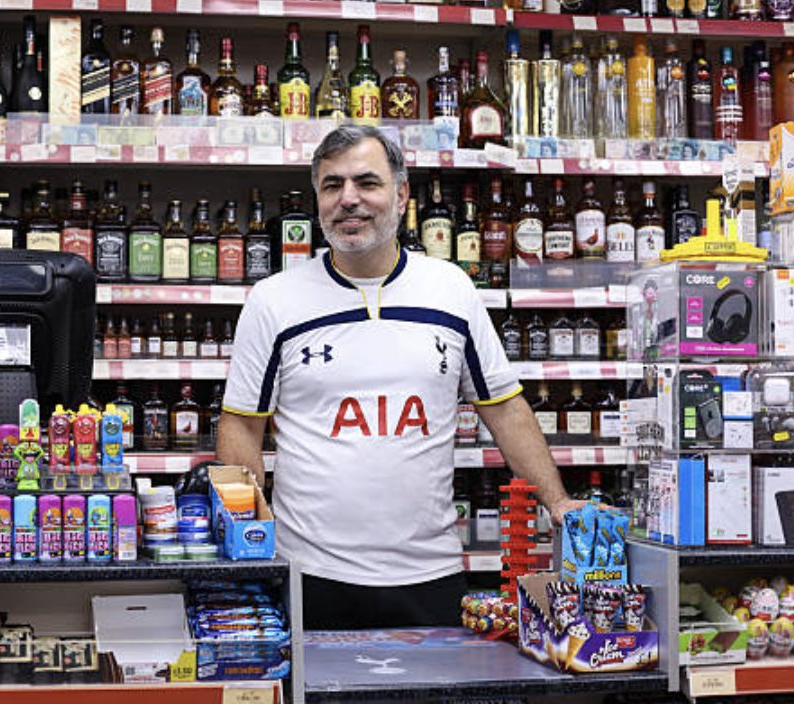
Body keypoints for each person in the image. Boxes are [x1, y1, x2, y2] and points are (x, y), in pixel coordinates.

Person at [216, 125, 589, 630]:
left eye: (367, 182)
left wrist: (558, 501)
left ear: (402, 194)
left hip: (429, 574)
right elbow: (242, 425)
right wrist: (248, 539)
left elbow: (503, 408)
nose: (348, 199)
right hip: (309, 573)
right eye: (332, 185)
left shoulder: (450, 289)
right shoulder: (273, 300)